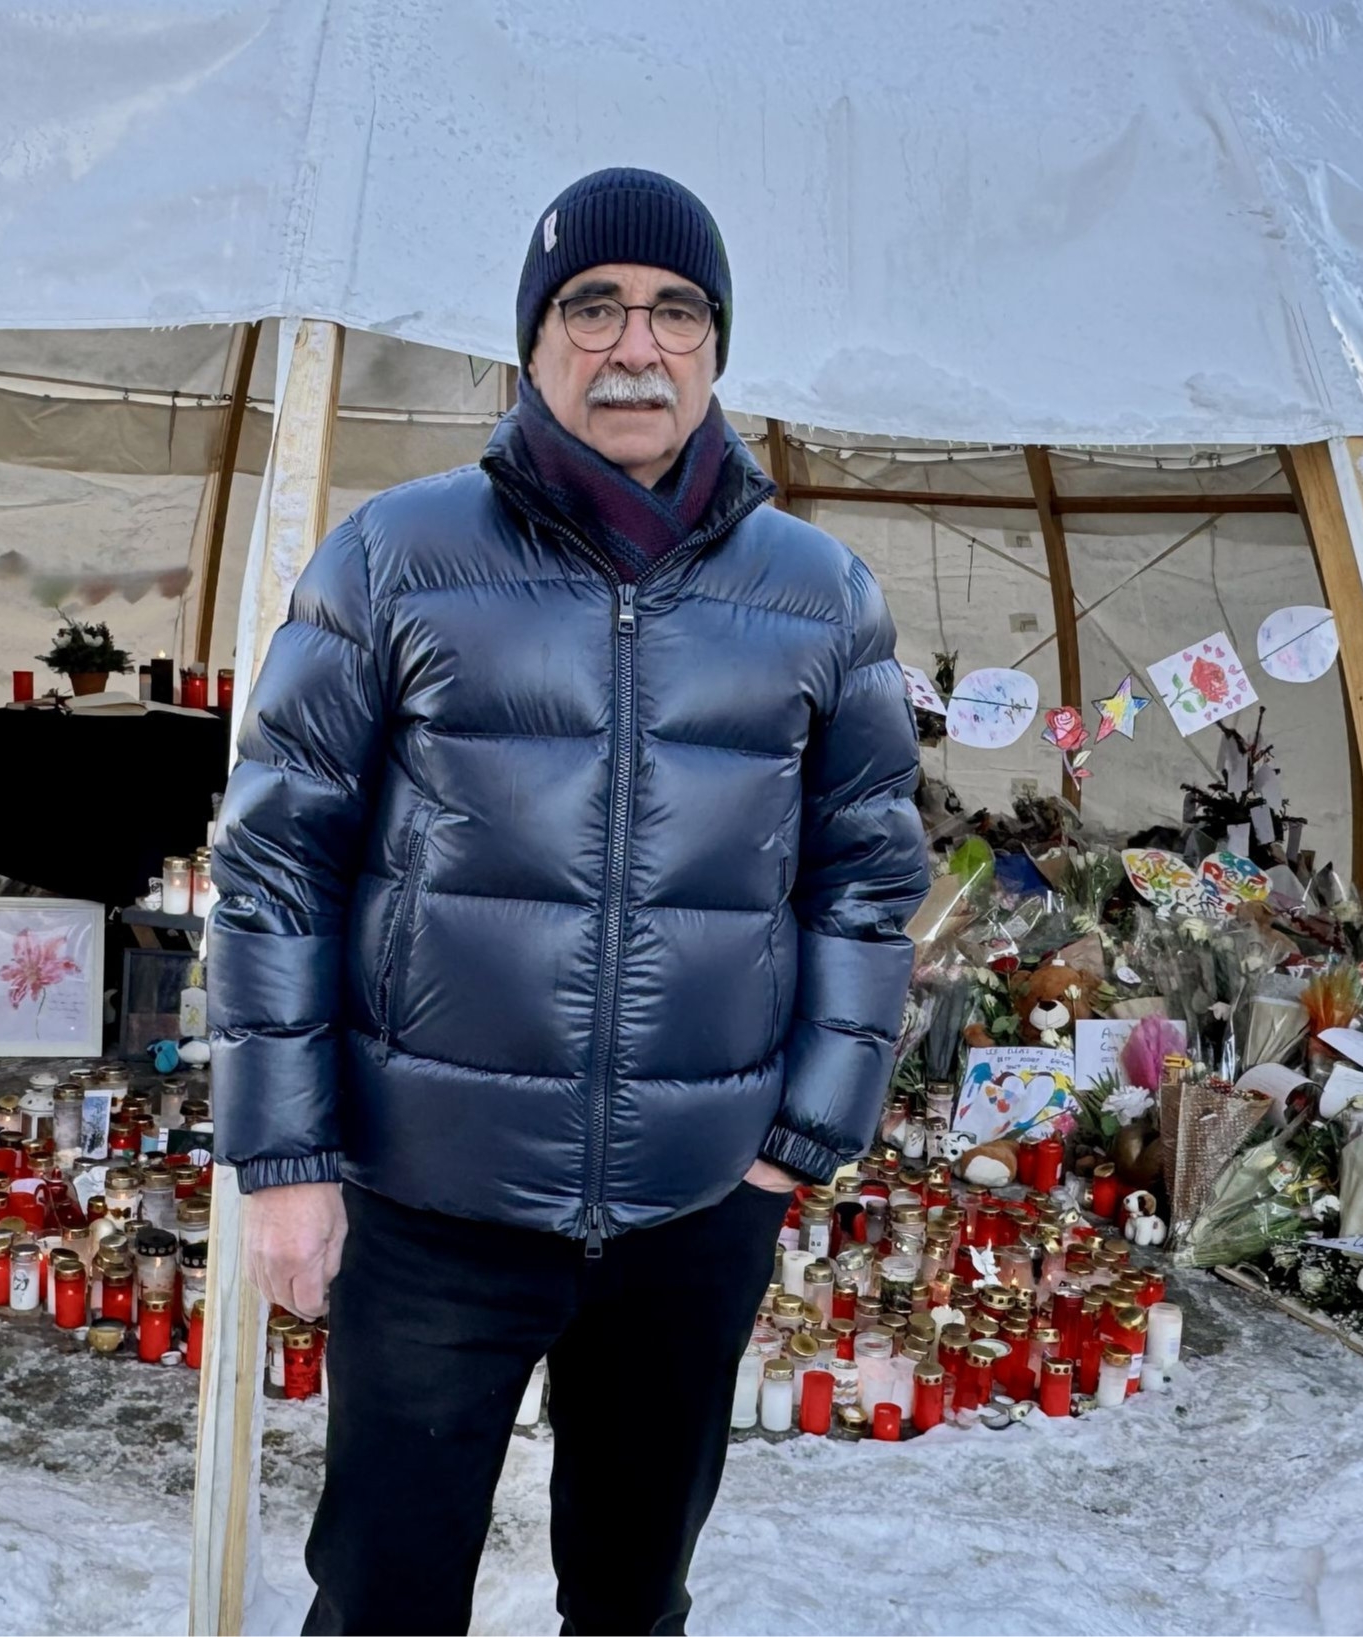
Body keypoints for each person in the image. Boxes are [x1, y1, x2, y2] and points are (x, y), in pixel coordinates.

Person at [211, 167, 930, 1635]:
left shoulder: (818, 594)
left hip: (695, 1207)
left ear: (717, 344)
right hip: (433, 1204)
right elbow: (277, 861)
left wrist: (800, 1141)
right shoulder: (396, 558)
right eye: (592, 308)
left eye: (675, 311)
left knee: (632, 1600)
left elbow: (866, 878)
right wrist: (285, 1162)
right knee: (383, 1600)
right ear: (534, 342)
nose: (634, 346)